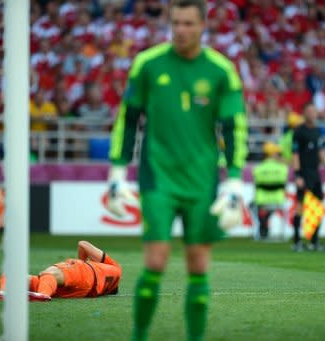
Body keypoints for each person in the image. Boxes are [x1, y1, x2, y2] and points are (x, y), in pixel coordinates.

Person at [105, 1, 248, 340]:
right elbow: (128, 119)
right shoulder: (148, 65)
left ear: (202, 26)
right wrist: (116, 171)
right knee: (155, 261)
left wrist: (236, 179)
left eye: (188, 23)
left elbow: (234, 127)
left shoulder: (221, 70)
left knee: (198, 266)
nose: (180, 30)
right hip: (159, 177)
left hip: (202, 180)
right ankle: (139, 335)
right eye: (176, 23)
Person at [0, 240, 122, 301]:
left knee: (50, 274)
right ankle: (5, 294)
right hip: (81, 290)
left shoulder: (115, 268)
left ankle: (42, 295)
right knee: (41, 278)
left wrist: (83, 261)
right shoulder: (109, 281)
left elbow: (83, 244)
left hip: (86, 274)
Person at [291, 102, 325, 252]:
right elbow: (295, 154)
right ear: (304, 113)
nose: (312, 114)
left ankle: (314, 241)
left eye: (314, 111)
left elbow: (321, 152)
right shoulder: (299, 131)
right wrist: (297, 175)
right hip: (303, 173)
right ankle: (296, 241)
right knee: (300, 208)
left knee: (318, 207)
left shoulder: (317, 131)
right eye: (309, 111)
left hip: (315, 174)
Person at [252, 142, 289, 240]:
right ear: (273, 154)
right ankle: (264, 225)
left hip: (262, 202)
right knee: (266, 209)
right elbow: (285, 186)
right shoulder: (283, 168)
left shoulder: (258, 169)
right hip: (278, 201)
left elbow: (256, 187)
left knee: (253, 206)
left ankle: (263, 226)